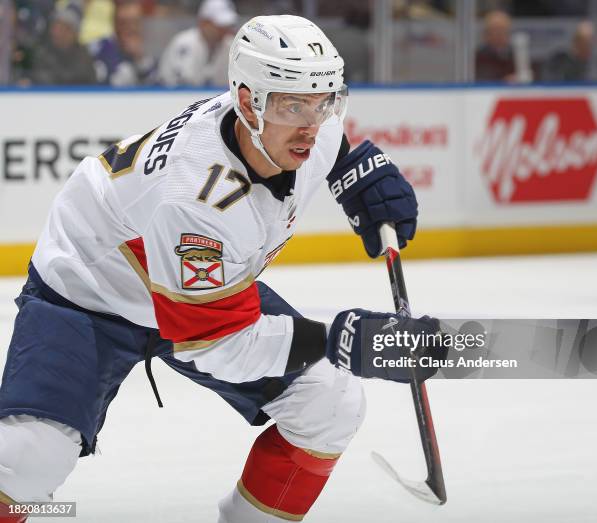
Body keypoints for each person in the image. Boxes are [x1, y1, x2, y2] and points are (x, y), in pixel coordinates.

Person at [0, 15, 444, 522]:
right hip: (90, 290)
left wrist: (360, 174)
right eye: (292, 104)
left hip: (193, 290)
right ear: (248, 101)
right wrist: (340, 339)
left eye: (324, 102)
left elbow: (331, 144)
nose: (311, 124)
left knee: (330, 404)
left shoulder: (304, 127)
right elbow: (219, 347)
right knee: (27, 463)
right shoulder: (195, 200)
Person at [158, 0, 237, 87]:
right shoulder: (184, 42)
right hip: (171, 97)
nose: (224, 31)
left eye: (227, 26)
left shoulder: (231, 45)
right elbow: (183, 87)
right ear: (203, 22)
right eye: (219, 26)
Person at [90, 0, 157, 86]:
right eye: (124, 23)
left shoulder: (150, 50)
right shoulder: (98, 49)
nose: (130, 28)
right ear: (114, 24)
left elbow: (156, 90)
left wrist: (139, 59)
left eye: (135, 22)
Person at [27, 4, 97, 85]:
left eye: (62, 29)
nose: (56, 33)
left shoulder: (84, 56)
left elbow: (90, 85)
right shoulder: (42, 52)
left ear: (73, 33)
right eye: (54, 27)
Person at [475, 9, 517, 82]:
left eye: (502, 30)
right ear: (486, 33)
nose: (499, 34)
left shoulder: (515, 55)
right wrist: (503, 81)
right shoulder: (479, 57)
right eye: (495, 30)